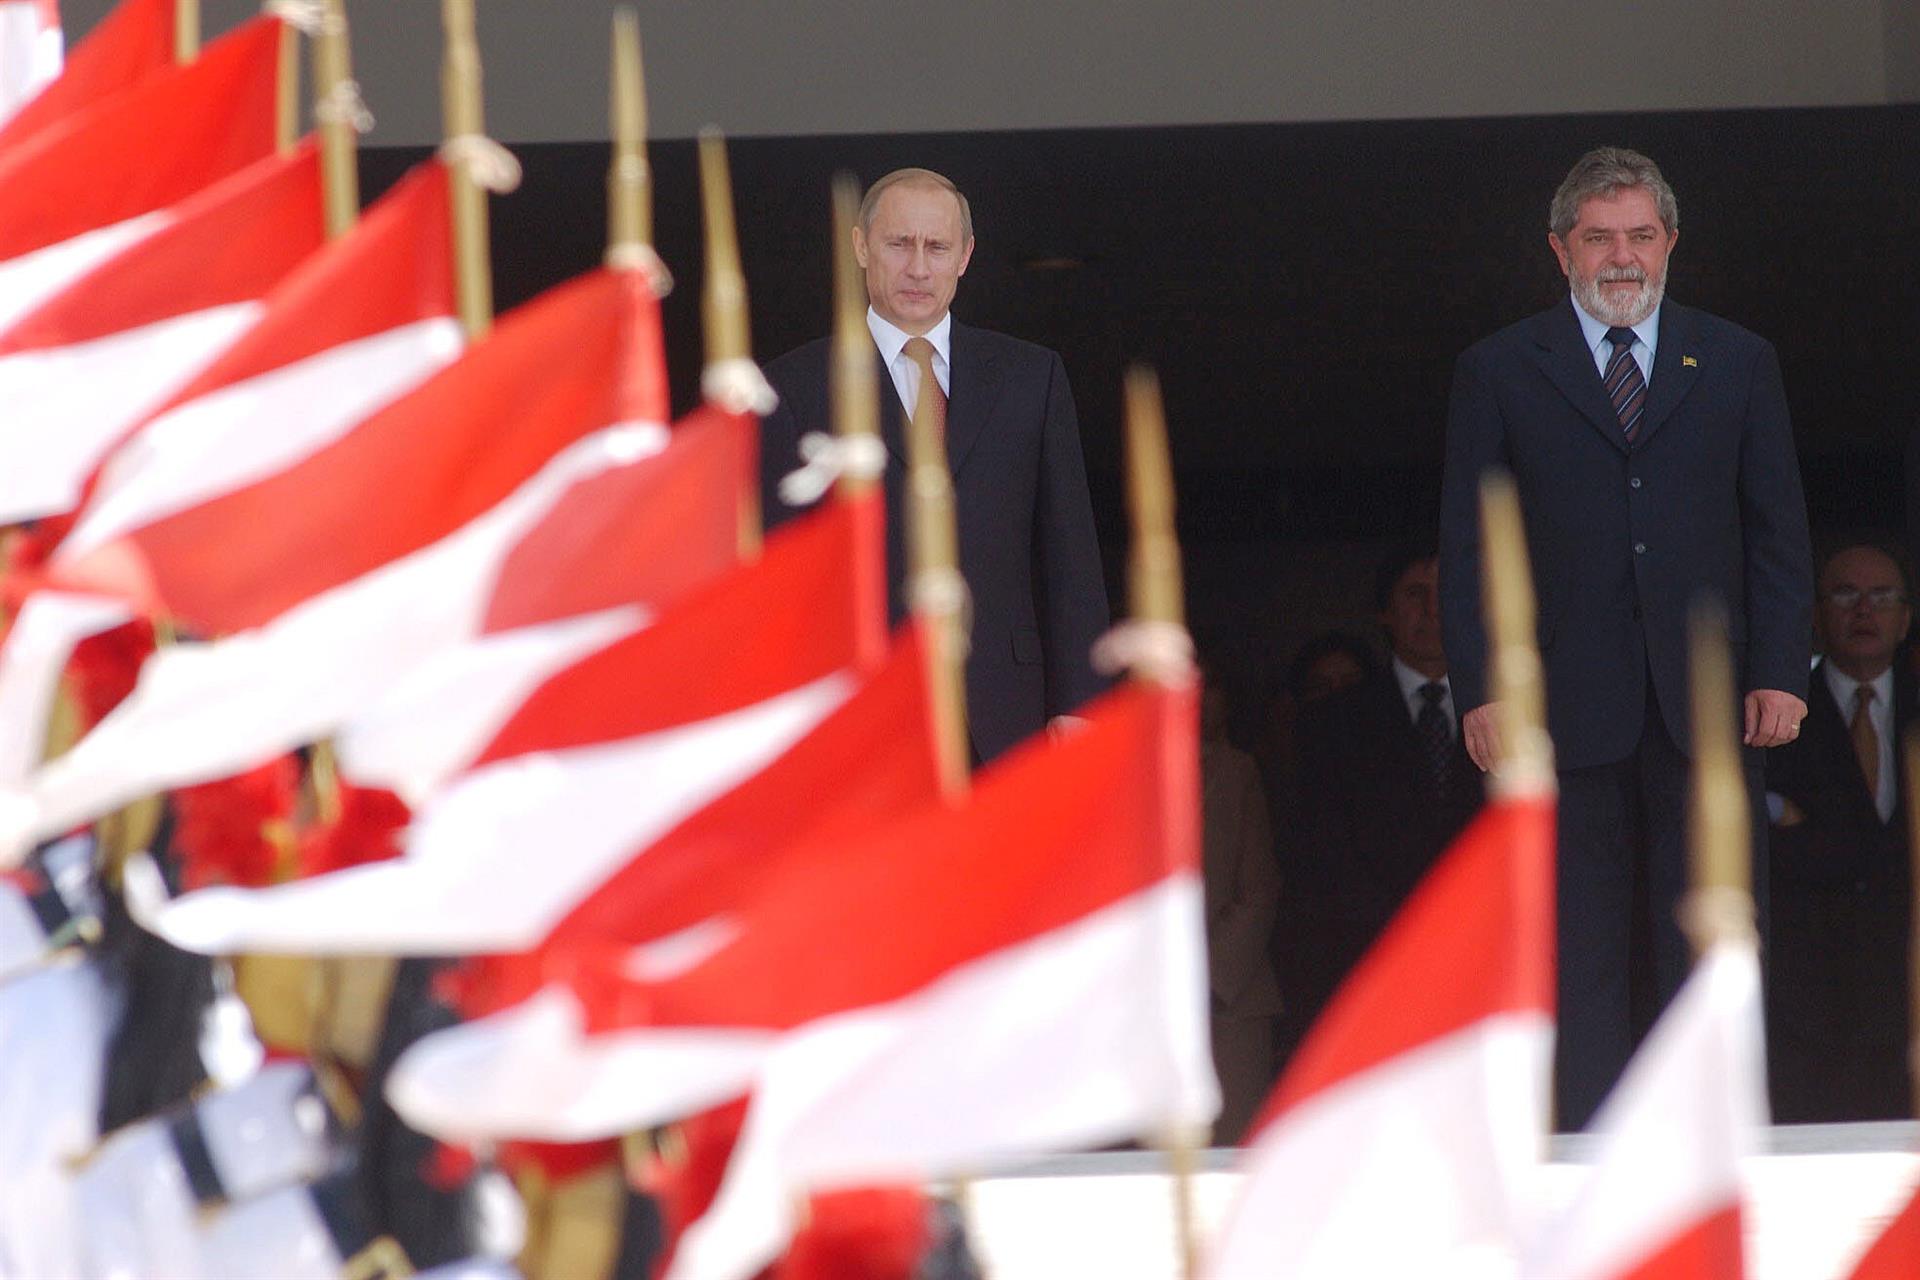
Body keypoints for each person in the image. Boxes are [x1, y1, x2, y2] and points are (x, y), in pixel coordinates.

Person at [1438, 146, 1813, 1129]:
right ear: (1559, 249)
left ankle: (1712, 1146)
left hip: (1710, 698)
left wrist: (1781, 667)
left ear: (1671, 243)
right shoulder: (1499, 367)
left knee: (1712, 937)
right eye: (1599, 237)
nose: (1621, 256)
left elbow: (1777, 528)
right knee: (1577, 947)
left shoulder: (1737, 359)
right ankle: (1583, 1159)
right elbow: (1470, 541)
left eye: (1641, 235)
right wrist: (1480, 685)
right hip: (1559, 704)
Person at [759, 168, 1109, 764]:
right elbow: (776, 573)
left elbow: (1068, 556)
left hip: (1006, 713)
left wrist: (1079, 706)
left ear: (965, 256)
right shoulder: (795, 388)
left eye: (937, 247)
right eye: (899, 244)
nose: (919, 268)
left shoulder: (1032, 377)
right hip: (855, 718)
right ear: (861, 246)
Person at [1282, 546, 1484, 1050]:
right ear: (1384, 611)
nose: (1433, 610)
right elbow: (1318, 861)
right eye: (1416, 595)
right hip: (1368, 972)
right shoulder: (1333, 722)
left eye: (1446, 595)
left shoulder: (1507, 711)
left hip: (1486, 969)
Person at [1766, 543, 1915, 1122]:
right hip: (1803, 1006)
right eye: (1845, 594)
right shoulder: (1773, 713)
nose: (1863, 611)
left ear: (1906, 618)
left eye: (1881, 597)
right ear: (1814, 614)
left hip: (1907, 1003)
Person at [1197, 667, 1280, 1144]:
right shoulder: (1117, 769)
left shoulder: (1237, 773)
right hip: (1137, 1007)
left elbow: (1260, 889)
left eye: (1209, 684)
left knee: (1230, 1162)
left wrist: (1206, 980)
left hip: (1230, 999)